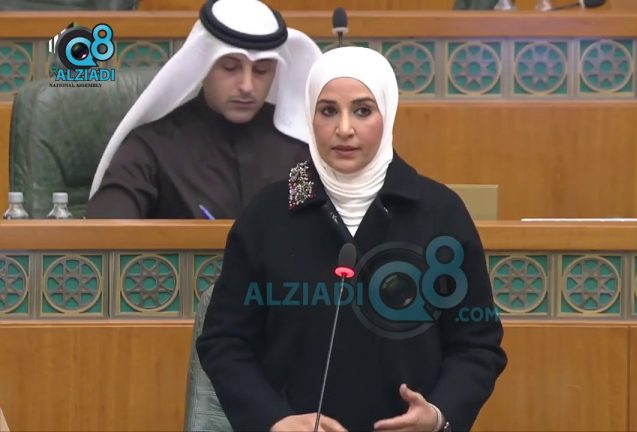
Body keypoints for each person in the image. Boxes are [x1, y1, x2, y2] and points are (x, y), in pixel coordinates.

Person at [196, 46, 507, 432]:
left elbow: (477, 343)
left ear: (387, 114)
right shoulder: (268, 212)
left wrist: (439, 414)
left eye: (362, 111)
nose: (344, 128)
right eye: (328, 111)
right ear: (309, 116)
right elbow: (224, 342)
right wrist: (274, 420)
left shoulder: (439, 212)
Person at [86, 0, 321, 219]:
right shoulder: (150, 149)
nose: (247, 86)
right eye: (230, 68)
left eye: (261, 71)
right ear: (203, 67)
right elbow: (106, 234)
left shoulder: (297, 152)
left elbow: (310, 224)